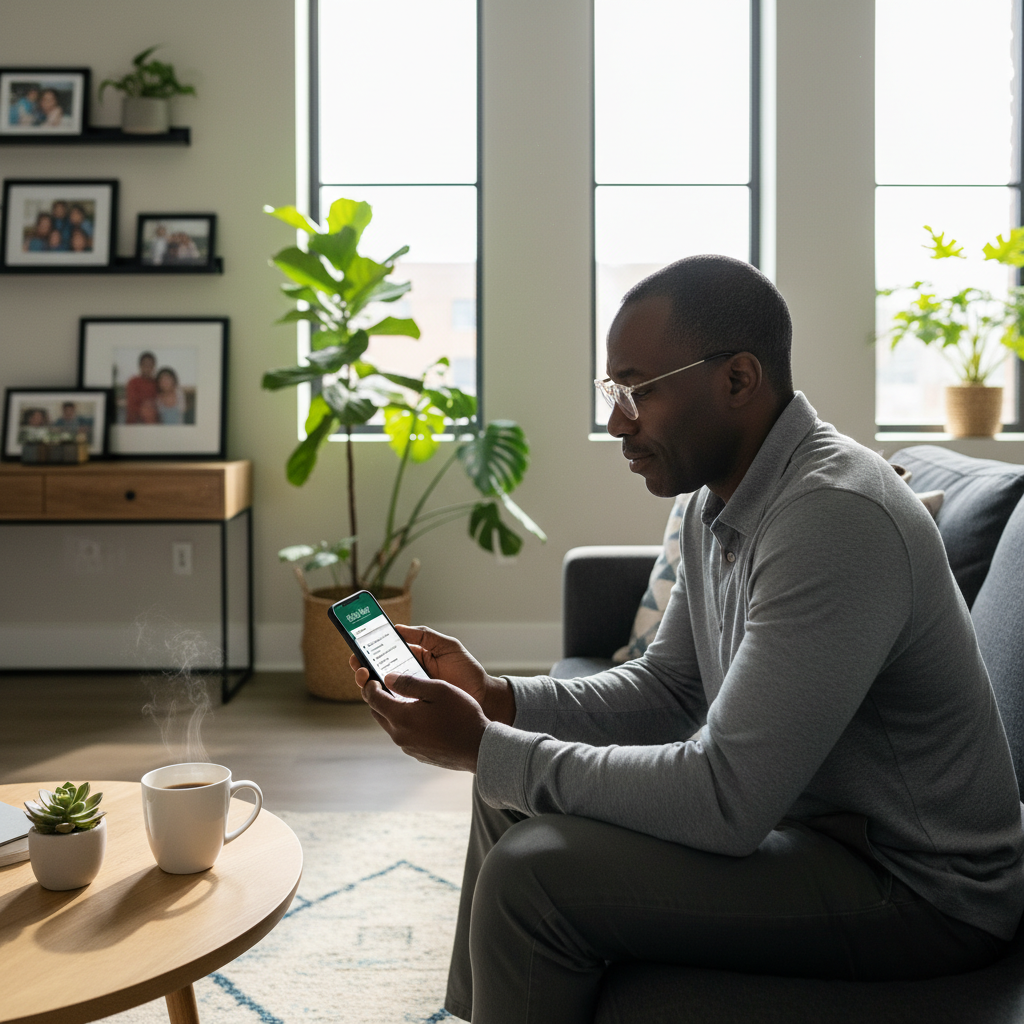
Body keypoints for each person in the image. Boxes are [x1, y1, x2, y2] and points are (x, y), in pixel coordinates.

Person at [348, 255, 1024, 1024]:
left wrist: (483, 745)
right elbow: (670, 689)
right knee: (508, 798)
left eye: (639, 391)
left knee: (532, 870)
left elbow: (726, 799)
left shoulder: (835, 517)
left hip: (921, 890)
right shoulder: (719, 503)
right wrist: (499, 700)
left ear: (738, 380)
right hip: (821, 835)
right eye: (613, 391)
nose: (616, 422)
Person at [125, 352, 158, 424]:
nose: (147, 368)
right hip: (135, 421)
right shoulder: (133, 382)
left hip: (152, 421)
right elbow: (131, 405)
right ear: (140, 366)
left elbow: (159, 403)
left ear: (154, 367)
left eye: (150, 365)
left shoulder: (157, 383)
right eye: (145, 364)